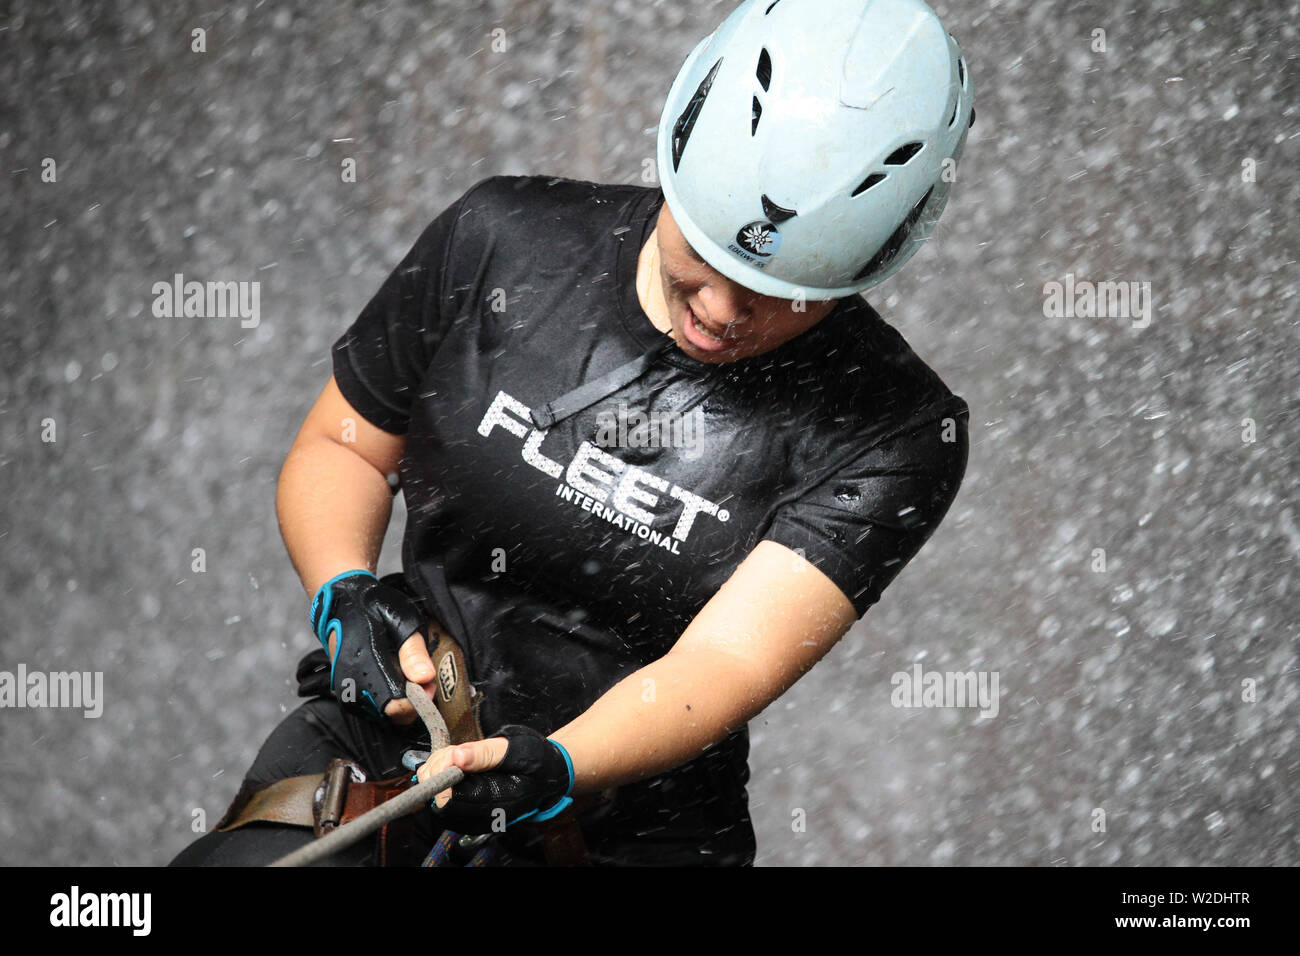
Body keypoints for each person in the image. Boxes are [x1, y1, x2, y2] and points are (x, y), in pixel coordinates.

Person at [170, 0, 975, 867]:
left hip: (631, 825)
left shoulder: (897, 430)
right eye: (702, 255)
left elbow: (725, 662)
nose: (721, 309)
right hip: (398, 732)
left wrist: (559, 765)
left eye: (784, 295)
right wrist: (347, 595)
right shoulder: (503, 239)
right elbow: (344, 449)